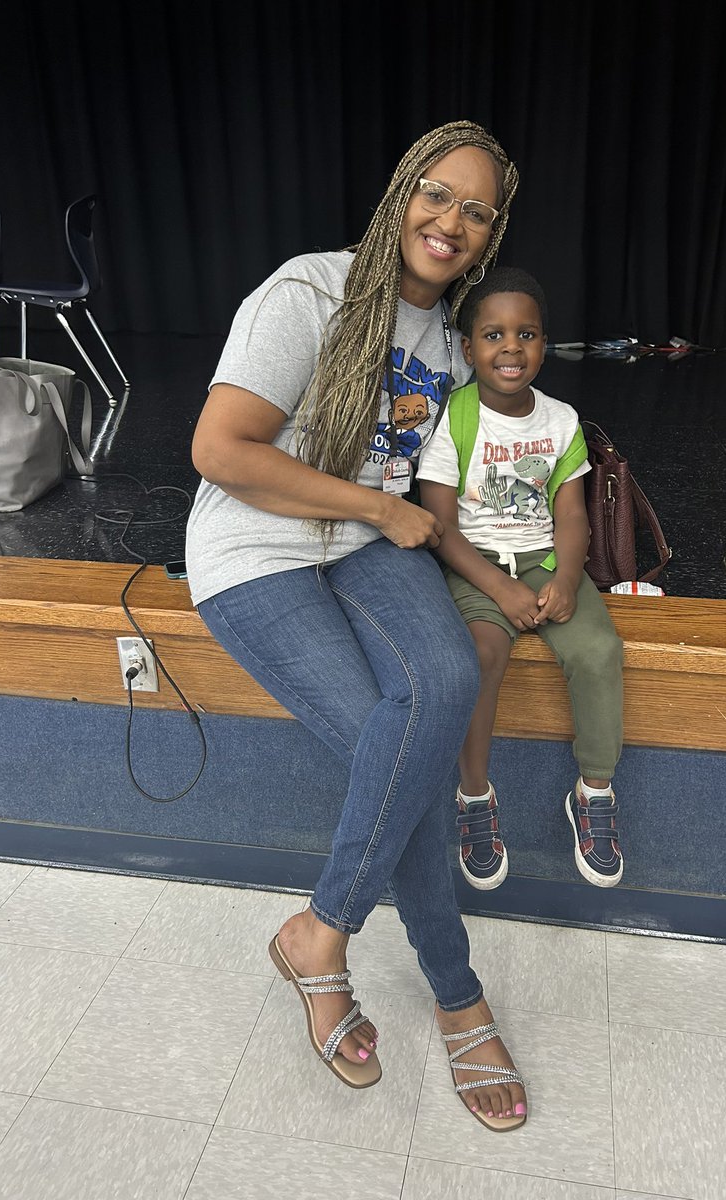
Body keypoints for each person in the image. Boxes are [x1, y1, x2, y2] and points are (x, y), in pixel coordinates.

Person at [186, 122, 527, 1130]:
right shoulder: (311, 292)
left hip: (366, 547)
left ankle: (318, 934)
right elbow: (219, 449)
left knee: (440, 691)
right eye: (435, 194)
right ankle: (457, 993)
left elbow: (432, 483)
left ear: (491, 233)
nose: (449, 221)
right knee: (411, 763)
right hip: (257, 549)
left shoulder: (450, 342)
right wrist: (380, 508)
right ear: (400, 196)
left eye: (476, 210)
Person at [418, 267, 625, 893]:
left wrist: (564, 578)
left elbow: (572, 511)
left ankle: (594, 790)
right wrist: (501, 590)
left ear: (544, 342)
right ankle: (474, 797)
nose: (511, 348)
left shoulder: (562, 420)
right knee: (480, 655)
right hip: (475, 562)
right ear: (468, 344)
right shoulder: (451, 418)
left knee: (599, 650)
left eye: (526, 333)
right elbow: (441, 527)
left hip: (543, 559)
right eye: (493, 334)